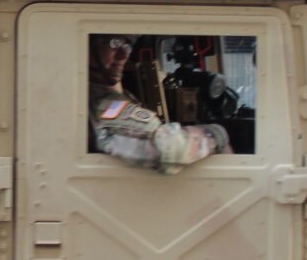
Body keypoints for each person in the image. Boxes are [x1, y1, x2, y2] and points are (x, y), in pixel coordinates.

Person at [87, 34, 229, 173]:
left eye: (128, 46)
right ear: (88, 46)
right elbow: (169, 147)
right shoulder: (99, 103)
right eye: (115, 43)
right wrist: (217, 135)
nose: (123, 55)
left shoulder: (109, 94)